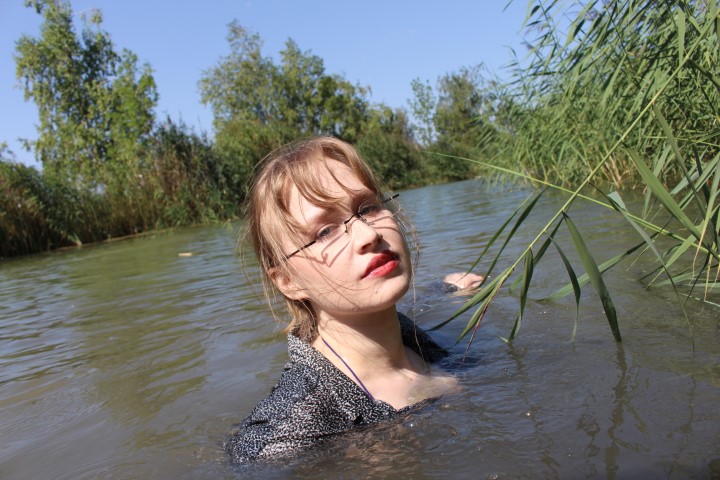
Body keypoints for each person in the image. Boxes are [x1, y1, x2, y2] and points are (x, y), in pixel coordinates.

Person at [225, 137, 482, 464]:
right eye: (324, 232)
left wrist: (445, 287)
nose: (368, 234)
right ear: (288, 281)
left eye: (368, 208)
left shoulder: (413, 340)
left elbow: (414, 306)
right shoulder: (289, 434)